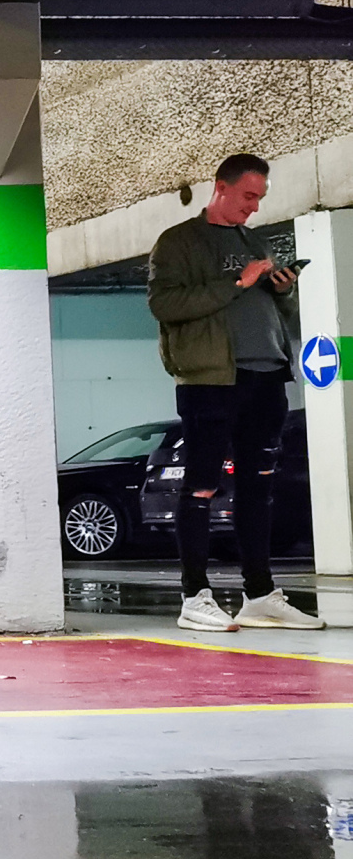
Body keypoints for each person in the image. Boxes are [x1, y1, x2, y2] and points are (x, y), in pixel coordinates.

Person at [146, 153, 322, 631]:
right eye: (248, 196)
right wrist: (237, 280)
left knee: (258, 489)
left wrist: (280, 289)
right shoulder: (179, 241)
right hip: (212, 380)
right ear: (220, 188)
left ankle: (260, 594)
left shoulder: (255, 239)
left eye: (260, 198)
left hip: (267, 376)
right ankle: (194, 596)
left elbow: (265, 310)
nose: (254, 208)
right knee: (201, 486)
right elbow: (164, 304)